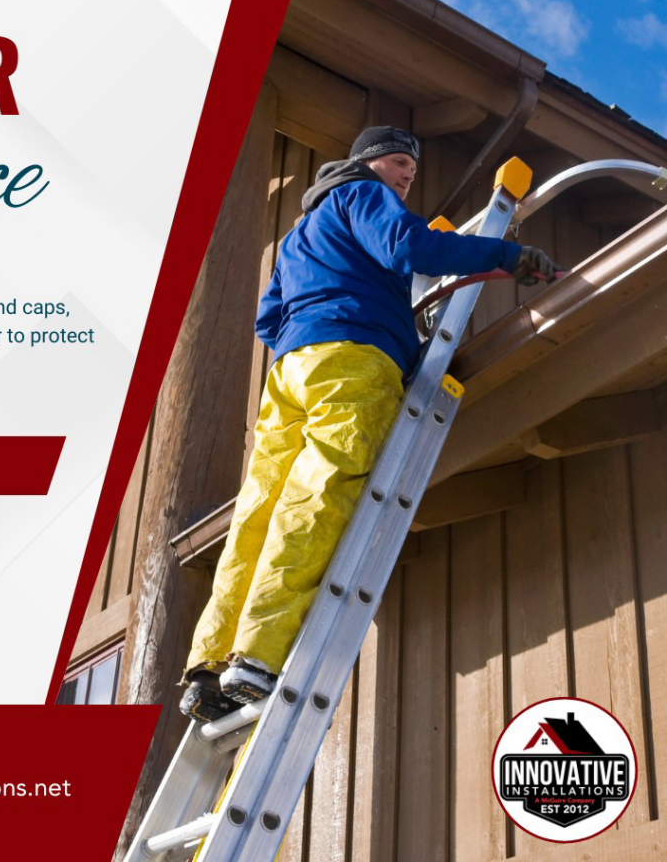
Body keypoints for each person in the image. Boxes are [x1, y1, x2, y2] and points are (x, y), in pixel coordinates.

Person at [179, 126, 556, 721]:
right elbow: (410, 249)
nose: (407, 174)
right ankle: (255, 656)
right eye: (400, 161)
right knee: (317, 498)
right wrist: (507, 256)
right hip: (352, 361)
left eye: (412, 165)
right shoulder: (365, 194)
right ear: (370, 161)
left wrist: (328, 323)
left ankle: (207, 664)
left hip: (290, 371)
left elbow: (268, 317)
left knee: (261, 508)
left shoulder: (303, 230)